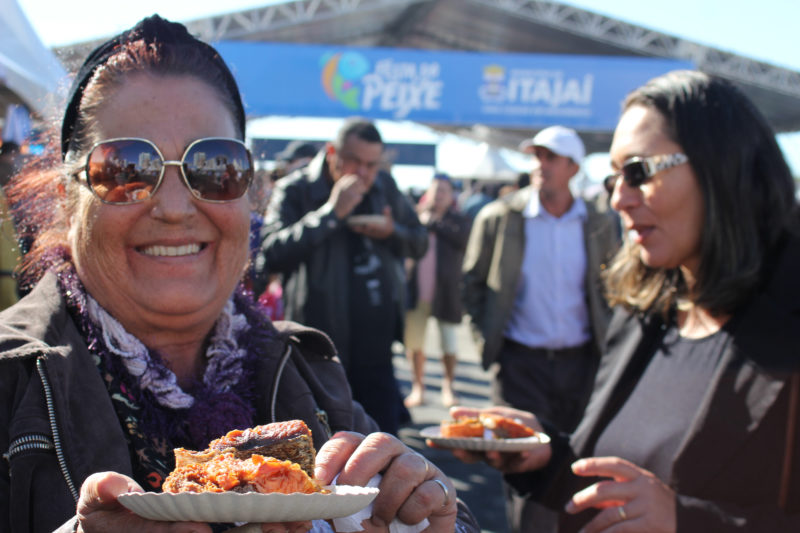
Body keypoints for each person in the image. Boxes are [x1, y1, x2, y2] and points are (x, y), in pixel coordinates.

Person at [0, 16, 479, 533]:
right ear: (67, 203)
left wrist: (431, 518)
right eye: (127, 169)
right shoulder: (13, 377)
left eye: (213, 166)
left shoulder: (303, 368)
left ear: (250, 193)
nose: (176, 207)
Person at [448, 70, 800, 532]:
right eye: (614, 178)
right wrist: (546, 456)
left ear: (721, 167)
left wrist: (686, 522)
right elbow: (616, 488)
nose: (619, 199)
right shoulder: (647, 310)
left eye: (638, 172)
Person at [461, 125, 620, 533]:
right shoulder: (500, 217)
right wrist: (487, 341)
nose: (540, 165)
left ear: (573, 167)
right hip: (520, 365)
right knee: (521, 471)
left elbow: (615, 289)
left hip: (583, 365)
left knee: (580, 464)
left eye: (551, 157)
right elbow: (471, 284)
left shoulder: (598, 223)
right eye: (536, 156)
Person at [256, 118, 427, 435]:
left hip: (376, 345)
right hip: (319, 347)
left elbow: (419, 241)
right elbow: (271, 253)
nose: (362, 173)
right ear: (332, 152)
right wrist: (332, 213)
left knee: (384, 447)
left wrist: (392, 232)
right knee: (326, 452)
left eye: (371, 165)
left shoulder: (383, 186)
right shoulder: (297, 189)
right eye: (355, 162)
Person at [403, 173, 471, 408]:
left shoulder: (458, 220)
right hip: (417, 292)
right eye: (436, 189)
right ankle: (418, 386)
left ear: (451, 194)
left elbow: (463, 240)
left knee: (449, 345)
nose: (439, 194)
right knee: (414, 343)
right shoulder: (415, 218)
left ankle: (448, 386)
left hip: (447, 293)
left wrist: (430, 223)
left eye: (444, 190)